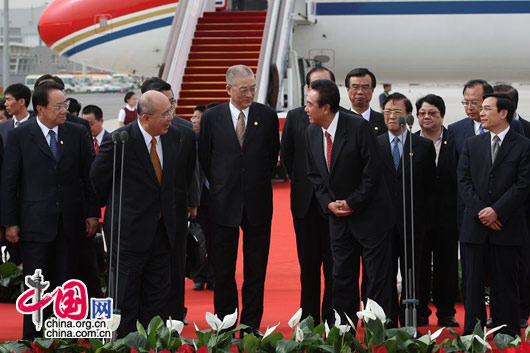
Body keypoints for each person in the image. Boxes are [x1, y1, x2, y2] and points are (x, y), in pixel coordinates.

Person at [90, 90, 196, 336]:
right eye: (165, 114)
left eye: (171, 111)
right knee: (125, 295)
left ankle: (153, 340)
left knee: (158, 294)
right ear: (146, 117)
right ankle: (126, 341)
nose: (171, 118)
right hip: (129, 233)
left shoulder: (176, 137)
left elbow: (182, 178)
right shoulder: (120, 139)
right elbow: (98, 181)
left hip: (164, 231)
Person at [1, 81, 100, 340]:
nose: (64, 110)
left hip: (71, 222)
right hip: (34, 223)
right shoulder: (20, 136)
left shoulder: (77, 132)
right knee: (36, 286)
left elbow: (88, 176)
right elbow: (9, 181)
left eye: (65, 104)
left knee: (68, 283)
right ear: (40, 108)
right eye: (58, 106)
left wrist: (92, 213)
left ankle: (65, 337)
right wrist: (10, 222)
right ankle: (34, 339)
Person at [305, 79, 394, 328]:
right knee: (341, 277)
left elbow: (372, 171)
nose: (306, 109)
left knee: (376, 279)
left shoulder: (357, 127)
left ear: (326, 108)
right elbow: (314, 174)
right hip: (338, 217)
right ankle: (342, 333)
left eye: (310, 104)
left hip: (370, 215)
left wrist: (353, 202)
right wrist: (329, 203)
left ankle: (379, 334)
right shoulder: (311, 131)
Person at [198, 65, 280, 336]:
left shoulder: (266, 116)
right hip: (222, 204)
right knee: (223, 269)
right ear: (228, 89)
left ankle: (250, 325)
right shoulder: (212, 117)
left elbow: (271, 156)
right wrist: (224, 184)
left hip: (257, 203)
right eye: (243, 89)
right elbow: (206, 157)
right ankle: (224, 323)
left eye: (253, 88)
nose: (249, 94)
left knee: (255, 270)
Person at [457, 93, 530, 337]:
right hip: (475, 227)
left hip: (506, 226)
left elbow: (523, 184)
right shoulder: (472, 144)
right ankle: (473, 336)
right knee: (472, 285)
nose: (481, 113)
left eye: (487, 108)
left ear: (503, 113)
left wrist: (497, 210)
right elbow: (464, 181)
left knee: (506, 285)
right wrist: (482, 211)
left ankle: (507, 334)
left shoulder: (524, 145)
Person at [280, 66, 341, 324]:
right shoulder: (295, 117)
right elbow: (288, 157)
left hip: (336, 204)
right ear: (307, 89)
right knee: (308, 266)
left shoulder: (344, 119)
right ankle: (309, 316)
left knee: (335, 266)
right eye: (315, 86)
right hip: (305, 203)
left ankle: (331, 316)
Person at [140, 77, 197, 322]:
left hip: (175, 210)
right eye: (166, 106)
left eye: (173, 103)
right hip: (143, 216)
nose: (171, 112)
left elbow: (190, 172)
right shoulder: (130, 135)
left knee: (175, 265)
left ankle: (175, 313)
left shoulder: (184, 131)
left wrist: (192, 203)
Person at [376, 92, 436, 326]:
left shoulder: (422, 146)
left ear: (408, 116)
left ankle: (411, 317)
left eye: (397, 112)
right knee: (384, 273)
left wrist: (425, 221)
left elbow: (430, 188)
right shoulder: (375, 143)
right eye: (387, 112)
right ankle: (387, 320)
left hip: (413, 222)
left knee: (414, 271)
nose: (391, 117)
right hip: (381, 224)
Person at [415, 94, 460, 327]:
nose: (427, 117)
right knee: (420, 265)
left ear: (442, 115)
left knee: (447, 266)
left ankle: (446, 312)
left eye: (432, 113)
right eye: (422, 113)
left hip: (448, 217)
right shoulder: (410, 141)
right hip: (418, 217)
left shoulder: (456, 142)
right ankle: (420, 310)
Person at [492, 84, 530, 329]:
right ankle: (499, 315)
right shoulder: (485, 134)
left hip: (524, 211)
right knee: (497, 268)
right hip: (492, 214)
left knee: (524, 265)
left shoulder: (527, 131)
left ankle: (522, 311)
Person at [0, 84, 33, 266]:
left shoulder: (36, 127)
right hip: (9, 200)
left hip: (31, 202)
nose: (6, 104)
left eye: (9, 99)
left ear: (21, 102)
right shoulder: (3, 129)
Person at [345, 68, 387, 136]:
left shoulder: (384, 121)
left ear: (372, 90)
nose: (360, 92)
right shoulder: (339, 121)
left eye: (365, 87)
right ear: (348, 89)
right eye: (355, 87)